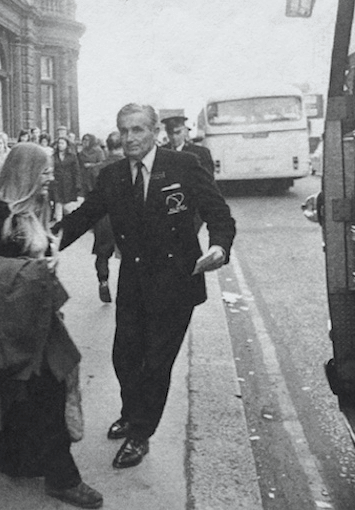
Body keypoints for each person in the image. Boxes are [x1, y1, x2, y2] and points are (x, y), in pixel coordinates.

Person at [56, 104, 236, 469]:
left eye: (138, 130)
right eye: (124, 131)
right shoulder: (112, 176)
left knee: (156, 363)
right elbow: (82, 217)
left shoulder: (183, 166)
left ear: (155, 131)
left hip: (176, 282)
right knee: (125, 356)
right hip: (135, 280)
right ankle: (132, 412)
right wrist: (43, 244)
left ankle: (141, 434)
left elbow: (219, 214)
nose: (130, 138)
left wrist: (218, 246)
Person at [0, 143, 103, 509]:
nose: (50, 176)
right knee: (47, 393)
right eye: (44, 170)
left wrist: (45, 260)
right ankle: (63, 479)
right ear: (26, 172)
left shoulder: (33, 209)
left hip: (33, 320)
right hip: (8, 323)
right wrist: (35, 271)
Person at [84, 132, 125, 303]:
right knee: (130, 254)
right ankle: (127, 289)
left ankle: (103, 281)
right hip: (125, 215)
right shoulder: (130, 166)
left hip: (104, 217)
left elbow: (89, 196)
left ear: (107, 148)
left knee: (102, 253)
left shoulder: (95, 169)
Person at [161, 115, 215, 180]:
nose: (174, 137)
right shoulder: (161, 152)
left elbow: (208, 180)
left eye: (178, 133)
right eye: (170, 133)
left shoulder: (201, 153)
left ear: (185, 131)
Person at [50, 136, 81, 222]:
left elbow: (76, 171)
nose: (60, 145)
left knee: (68, 206)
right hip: (57, 184)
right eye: (59, 143)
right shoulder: (53, 156)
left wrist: (77, 184)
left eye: (62, 143)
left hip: (69, 184)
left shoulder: (72, 156)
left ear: (67, 145)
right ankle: (59, 224)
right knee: (58, 204)